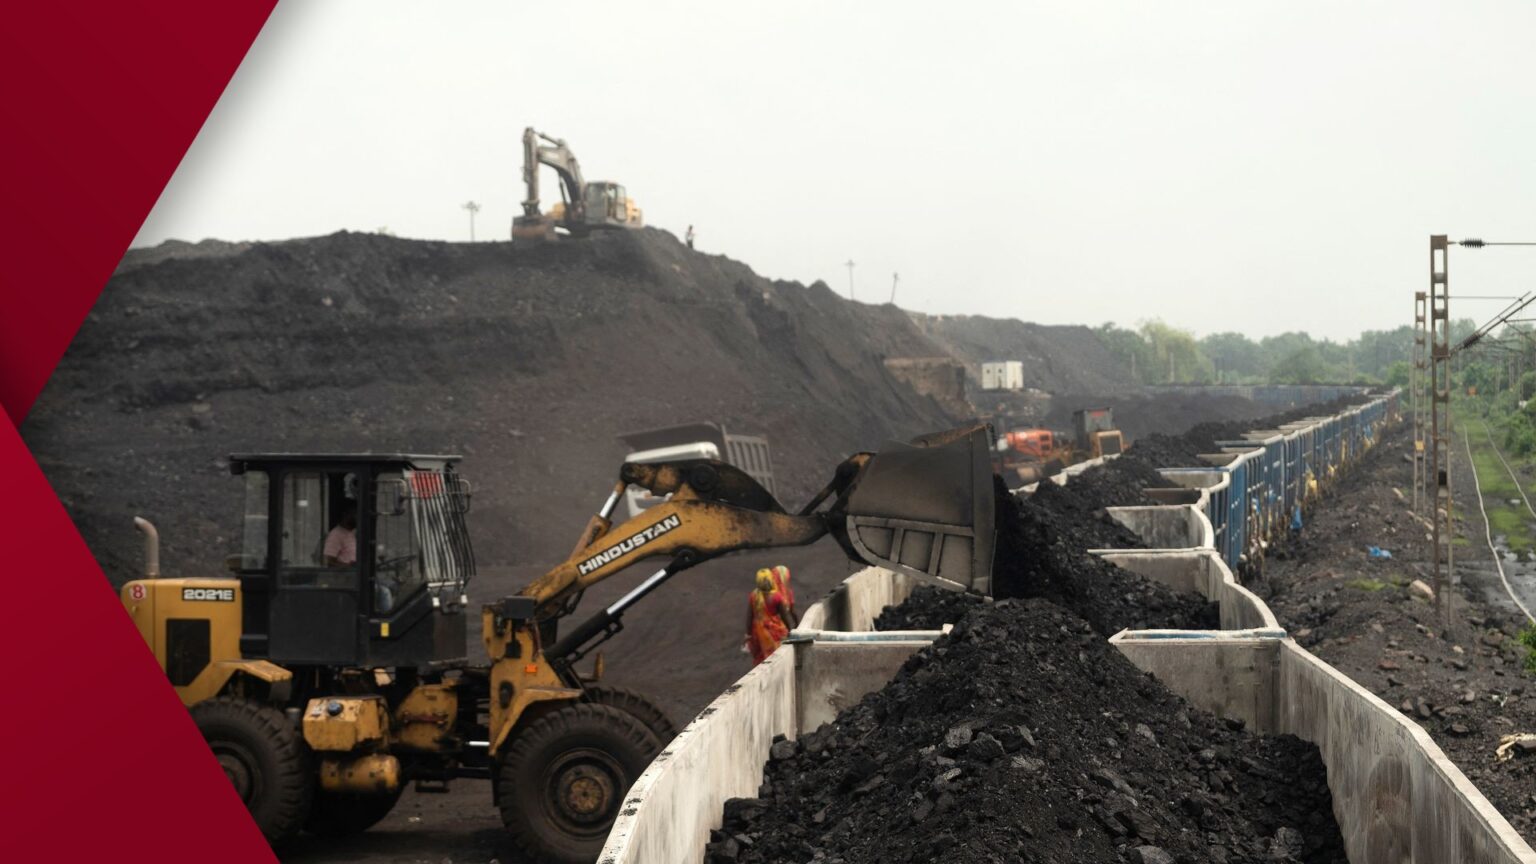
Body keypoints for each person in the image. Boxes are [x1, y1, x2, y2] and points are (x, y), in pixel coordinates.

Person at [744, 569, 796, 666]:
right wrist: (789, 630)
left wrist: (748, 635)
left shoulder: (753, 595)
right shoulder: (777, 597)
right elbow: (785, 617)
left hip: (758, 633)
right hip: (774, 632)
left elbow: (749, 616)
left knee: (761, 658)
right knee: (776, 657)